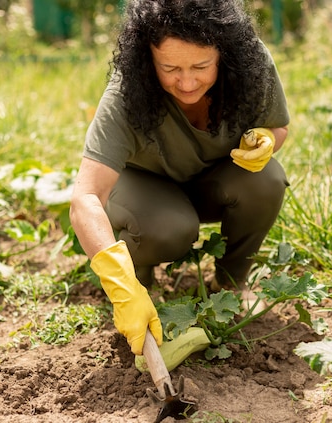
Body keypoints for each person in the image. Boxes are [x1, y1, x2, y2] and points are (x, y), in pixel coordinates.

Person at [69, 0, 290, 356]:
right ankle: (137, 282)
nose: (187, 82)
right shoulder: (127, 93)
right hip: (143, 185)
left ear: (225, 54)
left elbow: (278, 126)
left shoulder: (252, 66)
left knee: (266, 179)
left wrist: (267, 140)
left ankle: (232, 282)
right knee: (168, 229)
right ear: (148, 60)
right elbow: (85, 197)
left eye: (201, 66)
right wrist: (117, 282)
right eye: (169, 68)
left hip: (210, 181)